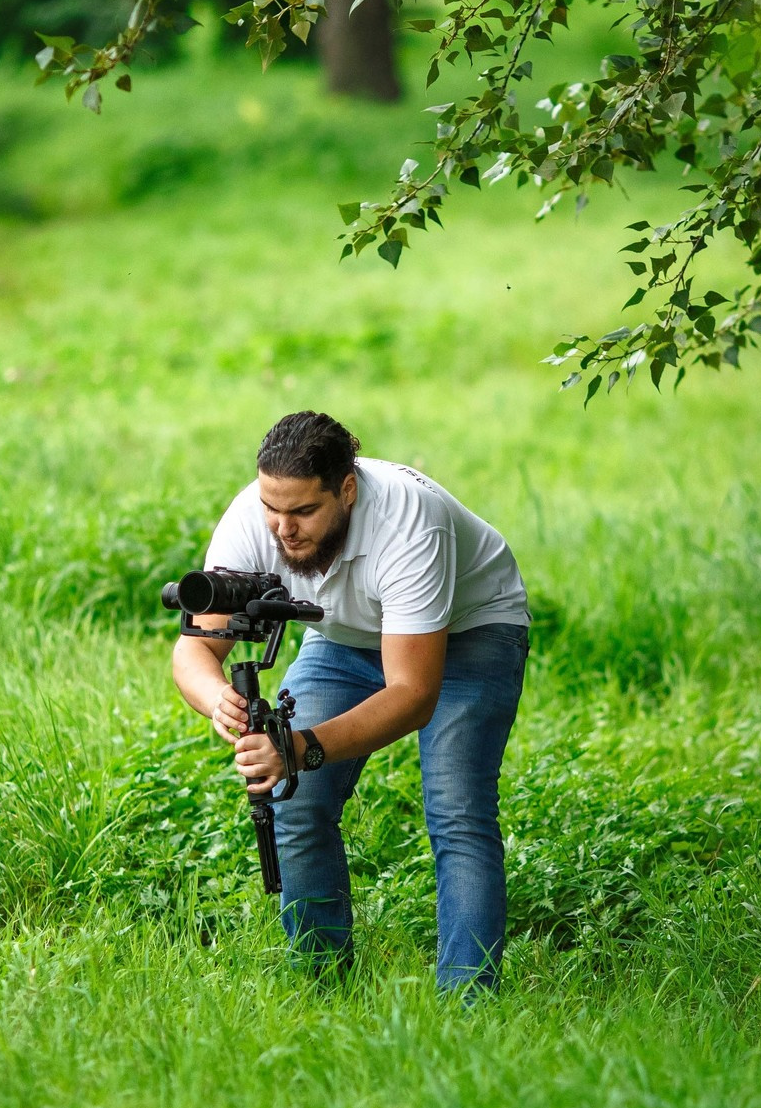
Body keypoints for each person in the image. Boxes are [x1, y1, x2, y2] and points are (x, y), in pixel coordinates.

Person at [170, 411, 532, 991]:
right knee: (295, 797)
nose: (282, 530)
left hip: (470, 632)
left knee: (456, 810)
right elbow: (193, 650)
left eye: (304, 512)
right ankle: (321, 984)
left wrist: (301, 746)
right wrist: (218, 702)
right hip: (345, 636)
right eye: (273, 509)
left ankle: (471, 1002)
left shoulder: (410, 523)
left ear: (347, 489)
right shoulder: (253, 517)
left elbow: (412, 695)